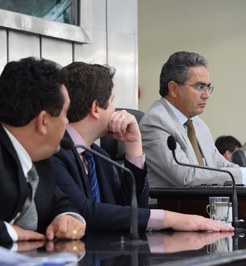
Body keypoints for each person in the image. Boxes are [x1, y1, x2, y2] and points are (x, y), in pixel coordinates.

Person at [51, 62, 234, 233]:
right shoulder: (54, 152)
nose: (116, 110)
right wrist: (171, 219)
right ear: (95, 108)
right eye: (112, 101)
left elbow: (131, 210)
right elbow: (84, 212)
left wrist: (134, 147)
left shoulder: (97, 155)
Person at [0, 57, 86, 244]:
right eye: (65, 114)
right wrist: (14, 234)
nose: (66, 123)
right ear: (44, 121)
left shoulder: (38, 155)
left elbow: (57, 201)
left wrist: (67, 217)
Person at [139, 51, 246, 188]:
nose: (207, 95)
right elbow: (184, 176)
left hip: (204, 204)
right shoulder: (155, 122)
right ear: (173, 88)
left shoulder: (197, 123)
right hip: (172, 207)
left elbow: (221, 165)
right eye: (200, 87)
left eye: (208, 87)